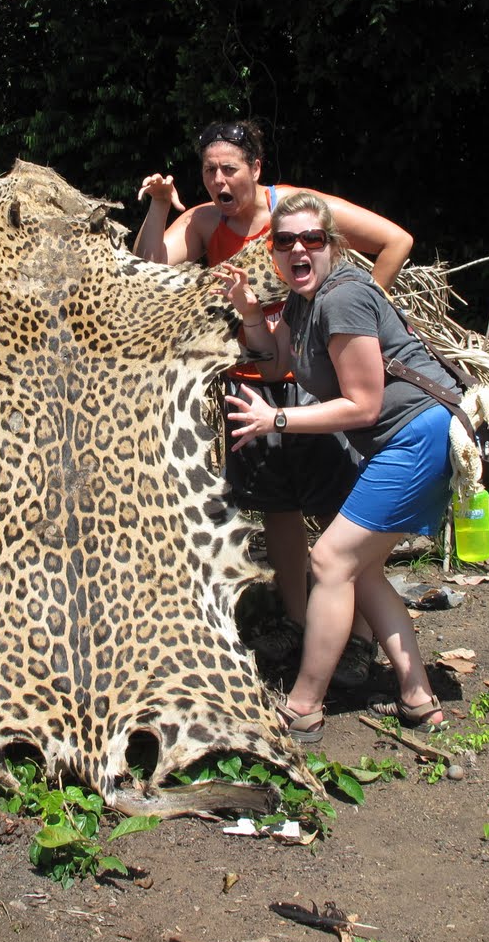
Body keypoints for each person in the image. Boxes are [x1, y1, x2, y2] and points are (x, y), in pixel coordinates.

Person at [134, 120, 415, 664]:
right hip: (248, 388)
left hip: (314, 387)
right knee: (277, 509)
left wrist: (350, 314)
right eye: (209, 170)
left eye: (230, 169)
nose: (219, 180)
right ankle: (297, 621)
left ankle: (356, 639)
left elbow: (394, 241)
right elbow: (148, 274)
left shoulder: (295, 211)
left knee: (338, 508)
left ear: (256, 170)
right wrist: (160, 209)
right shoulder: (203, 222)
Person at [216, 190, 452, 740]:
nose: (299, 249)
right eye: (285, 241)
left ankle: (303, 705)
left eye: (312, 239)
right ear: (272, 250)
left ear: (333, 245)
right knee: (360, 569)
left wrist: (276, 422)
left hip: (417, 437)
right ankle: (419, 698)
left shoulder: (343, 297)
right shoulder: (304, 302)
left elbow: (363, 405)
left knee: (329, 561)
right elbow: (277, 364)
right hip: (405, 441)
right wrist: (251, 314)